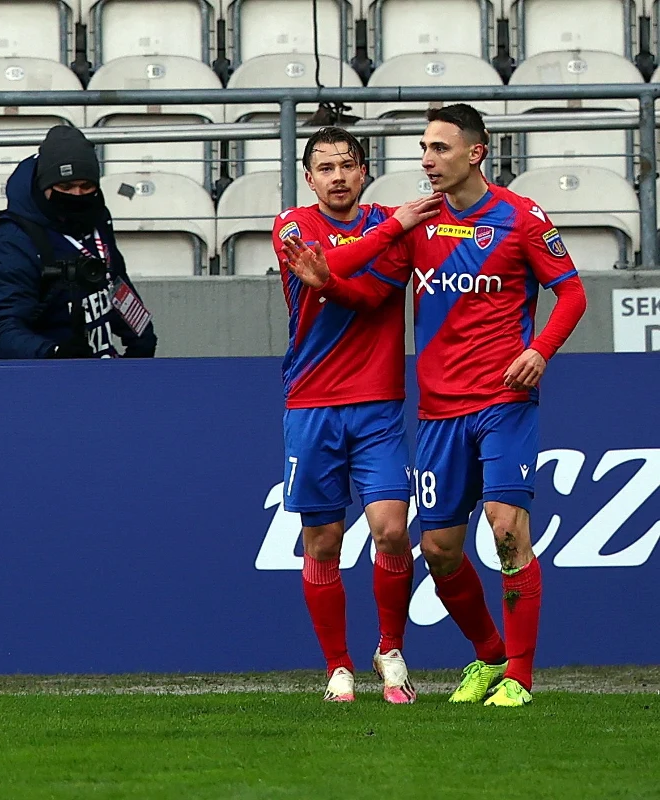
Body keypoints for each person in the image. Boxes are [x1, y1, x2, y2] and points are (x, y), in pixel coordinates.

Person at [281, 104, 588, 707]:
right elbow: (370, 293)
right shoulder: (416, 225)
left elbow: (572, 292)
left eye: (439, 148)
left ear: (476, 152)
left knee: (506, 528)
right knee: (441, 550)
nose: (427, 159)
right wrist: (329, 282)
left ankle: (520, 677)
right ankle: (489, 655)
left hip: (504, 397)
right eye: (423, 148)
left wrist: (540, 350)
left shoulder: (521, 217)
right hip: (438, 409)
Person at [273, 126, 442, 704]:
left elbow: (371, 296)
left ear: (364, 170)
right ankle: (338, 666)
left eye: (347, 165)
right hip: (311, 402)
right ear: (309, 177)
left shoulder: (388, 224)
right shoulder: (292, 225)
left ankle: (390, 651)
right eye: (325, 167)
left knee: (392, 530)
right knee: (322, 541)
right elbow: (323, 263)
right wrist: (385, 234)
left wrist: (332, 281)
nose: (338, 176)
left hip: (377, 404)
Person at [0, 125, 158, 359]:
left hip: (100, 368)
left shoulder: (97, 219)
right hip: (44, 374)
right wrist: (54, 353)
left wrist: (141, 337)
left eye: (86, 186)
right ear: (44, 186)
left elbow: (115, 281)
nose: (76, 194)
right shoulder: (14, 241)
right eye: (65, 187)